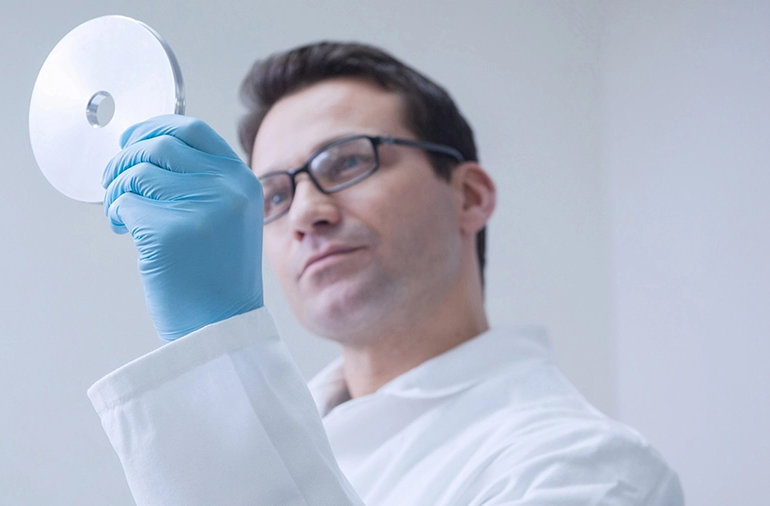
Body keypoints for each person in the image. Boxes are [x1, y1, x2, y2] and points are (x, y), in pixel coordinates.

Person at [88, 42, 684, 505]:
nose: (305, 212)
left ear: (469, 196)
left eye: (346, 161)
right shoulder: (285, 425)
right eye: (272, 194)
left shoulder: (591, 469)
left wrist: (215, 347)